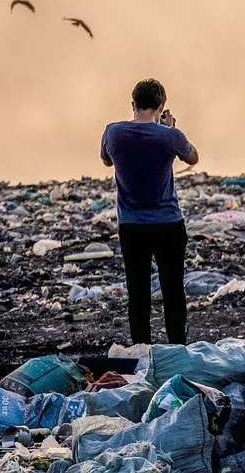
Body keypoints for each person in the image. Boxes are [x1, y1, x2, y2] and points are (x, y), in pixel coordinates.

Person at [100, 78, 200, 345]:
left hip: (132, 225)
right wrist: (168, 129)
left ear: (133, 104)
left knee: (138, 292)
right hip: (168, 223)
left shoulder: (113, 132)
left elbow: (107, 160)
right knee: (172, 290)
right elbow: (193, 158)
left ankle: (141, 349)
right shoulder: (170, 136)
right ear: (161, 104)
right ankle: (177, 348)